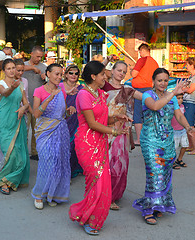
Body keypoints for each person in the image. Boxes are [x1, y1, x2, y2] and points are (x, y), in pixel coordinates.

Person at [69, 61, 130, 235]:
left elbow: (103, 118)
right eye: (103, 74)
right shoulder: (83, 95)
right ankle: (87, 216)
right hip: (87, 144)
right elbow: (92, 123)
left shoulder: (99, 93)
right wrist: (114, 131)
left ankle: (90, 216)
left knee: (101, 183)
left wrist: (117, 117)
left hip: (100, 142)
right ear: (93, 76)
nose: (106, 76)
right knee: (96, 181)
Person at [132, 68, 195, 225]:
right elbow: (155, 106)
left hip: (167, 142)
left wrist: (189, 128)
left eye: (165, 80)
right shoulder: (148, 95)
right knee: (154, 173)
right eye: (159, 80)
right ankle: (148, 209)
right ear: (153, 81)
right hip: (150, 142)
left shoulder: (172, 97)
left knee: (163, 172)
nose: (163, 83)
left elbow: (179, 115)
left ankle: (158, 204)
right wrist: (173, 93)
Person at [31, 63, 75, 209]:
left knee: (59, 162)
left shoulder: (61, 91)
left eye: (61, 74)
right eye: (56, 74)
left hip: (60, 130)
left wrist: (69, 111)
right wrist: (50, 98)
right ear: (48, 74)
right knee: (46, 162)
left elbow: (62, 114)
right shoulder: (39, 91)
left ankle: (52, 194)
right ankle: (39, 195)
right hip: (45, 132)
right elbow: (36, 114)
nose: (59, 77)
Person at [102, 61, 143, 210]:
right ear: (111, 70)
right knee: (105, 165)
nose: (121, 73)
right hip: (105, 130)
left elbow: (144, 98)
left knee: (119, 164)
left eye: (124, 71)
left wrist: (166, 95)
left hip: (122, 131)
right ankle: (106, 196)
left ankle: (114, 194)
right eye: (118, 70)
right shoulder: (103, 86)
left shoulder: (127, 89)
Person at [0, 59, 30, 194]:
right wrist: (12, 87)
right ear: (3, 70)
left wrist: (23, 109)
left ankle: (11, 180)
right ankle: (4, 180)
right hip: (5, 122)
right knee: (10, 152)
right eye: (8, 68)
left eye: (13, 68)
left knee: (20, 154)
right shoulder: (0, 84)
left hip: (18, 121)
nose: (11, 71)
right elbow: (5, 93)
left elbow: (26, 103)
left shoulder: (20, 84)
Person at [130, 43, 159, 145]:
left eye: (139, 52)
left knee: (138, 115)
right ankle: (150, 137)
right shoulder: (155, 63)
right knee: (149, 114)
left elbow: (134, 74)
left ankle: (138, 139)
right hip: (150, 89)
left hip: (140, 89)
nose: (139, 54)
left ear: (142, 50)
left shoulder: (142, 60)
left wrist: (131, 70)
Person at [59, 64, 84, 178]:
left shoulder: (82, 88)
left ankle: (72, 170)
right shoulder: (59, 86)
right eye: (71, 73)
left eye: (76, 73)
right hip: (62, 119)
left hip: (76, 119)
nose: (73, 75)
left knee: (74, 145)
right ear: (66, 74)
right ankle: (62, 171)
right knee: (63, 146)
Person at [22, 46, 47, 160]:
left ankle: (34, 152)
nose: (39, 59)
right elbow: (18, 68)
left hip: (38, 105)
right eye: (37, 56)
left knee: (36, 129)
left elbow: (49, 82)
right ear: (31, 54)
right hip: (25, 104)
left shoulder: (43, 67)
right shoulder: (24, 65)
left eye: (41, 57)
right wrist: (32, 68)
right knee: (24, 130)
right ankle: (23, 152)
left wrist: (44, 77)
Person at [182, 57, 195, 155]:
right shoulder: (191, 76)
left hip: (191, 103)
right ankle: (191, 146)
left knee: (190, 126)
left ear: (192, 65)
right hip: (187, 102)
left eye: (187, 65)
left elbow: (190, 90)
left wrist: (183, 88)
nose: (186, 66)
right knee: (187, 125)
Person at [171, 93, 189, 169]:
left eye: (181, 98)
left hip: (182, 130)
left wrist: (187, 127)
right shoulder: (171, 108)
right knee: (173, 148)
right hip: (174, 131)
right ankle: (172, 162)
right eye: (178, 98)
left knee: (185, 145)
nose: (180, 100)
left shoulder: (182, 106)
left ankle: (179, 159)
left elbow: (182, 117)